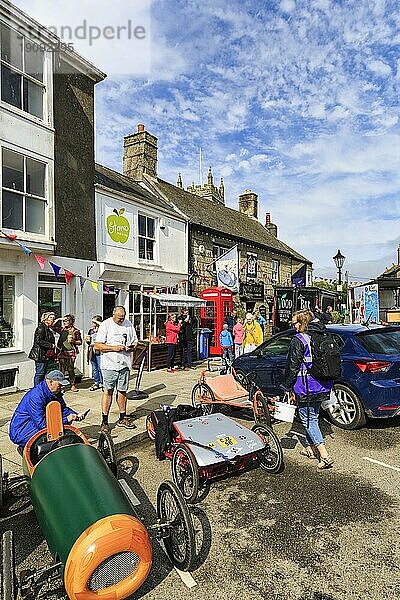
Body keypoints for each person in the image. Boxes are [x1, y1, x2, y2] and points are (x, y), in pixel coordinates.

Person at [284, 309, 334, 470]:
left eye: (294, 323)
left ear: (301, 323)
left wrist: (287, 386)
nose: (293, 326)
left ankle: (324, 456)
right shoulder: (320, 336)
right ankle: (309, 449)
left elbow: (293, 365)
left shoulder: (298, 340)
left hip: (305, 385)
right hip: (322, 384)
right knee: (313, 416)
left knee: (309, 419)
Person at [9, 370, 86, 448]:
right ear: (50, 382)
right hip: (22, 430)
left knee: (60, 430)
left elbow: (62, 409)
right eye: (60, 385)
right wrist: (66, 419)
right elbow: (42, 425)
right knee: (53, 434)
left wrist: (75, 415)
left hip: (34, 424)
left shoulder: (55, 393)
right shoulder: (36, 396)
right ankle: (25, 448)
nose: (62, 387)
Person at [94, 306, 138, 433]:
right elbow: (97, 345)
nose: (121, 320)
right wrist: (114, 348)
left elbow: (135, 341)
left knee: (123, 391)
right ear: (113, 314)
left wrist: (132, 347)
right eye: (119, 318)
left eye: (123, 318)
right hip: (109, 365)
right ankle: (105, 421)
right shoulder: (105, 325)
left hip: (125, 364)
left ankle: (123, 417)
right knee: (108, 391)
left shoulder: (128, 324)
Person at [28, 312, 58, 386]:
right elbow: (38, 341)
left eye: (54, 318)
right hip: (40, 354)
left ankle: (41, 388)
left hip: (45, 354)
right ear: (46, 319)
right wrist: (51, 345)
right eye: (51, 318)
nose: (53, 320)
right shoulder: (41, 328)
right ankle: (37, 389)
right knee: (40, 373)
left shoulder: (47, 328)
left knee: (43, 373)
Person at [55, 314, 82, 392]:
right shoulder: (62, 329)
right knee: (61, 369)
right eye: (64, 321)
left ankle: (73, 384)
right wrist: (59, 319)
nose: (65, 322)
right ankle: (61, 386)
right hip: (62, 351)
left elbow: (80, 342)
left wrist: (73, 341)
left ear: (71, 321)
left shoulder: (75, 331)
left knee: (70, 369)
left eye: (66, 321)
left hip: (71, 352)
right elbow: (52, 326)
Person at [86, 315, 103, 391]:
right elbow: (88, 341)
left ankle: (103, 383)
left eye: (94, 322)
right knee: (95, 368)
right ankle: (96, 382)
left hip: (99, 351)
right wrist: (87, 340)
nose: (93, 324)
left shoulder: (102, 329)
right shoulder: (91, 330)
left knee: (100, 367)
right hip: (92, 350)